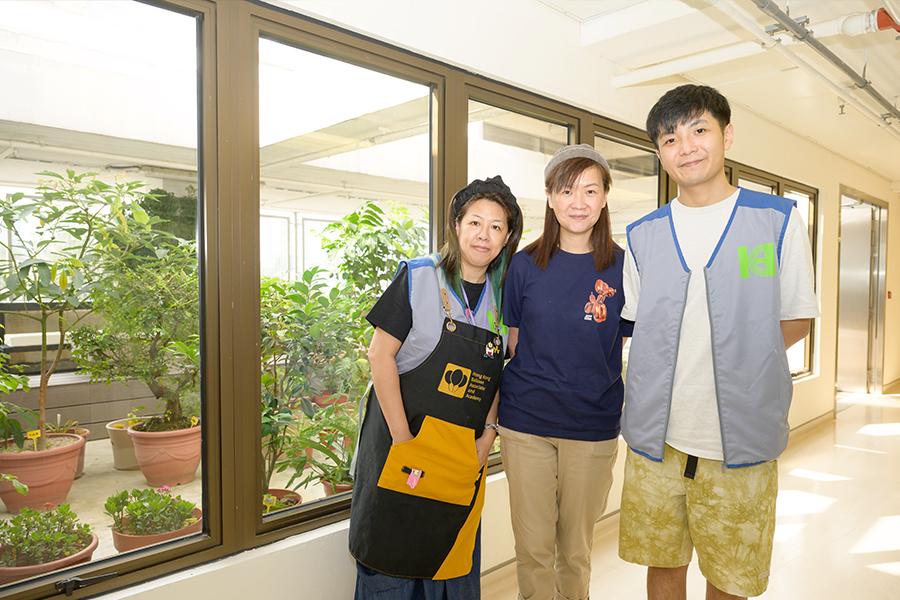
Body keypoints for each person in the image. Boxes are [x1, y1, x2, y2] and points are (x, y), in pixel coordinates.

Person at [617, 84, 819, 600]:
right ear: (660, 153)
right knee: (661, 565)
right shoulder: (642, 235)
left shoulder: (775, 221)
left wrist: (747, 364)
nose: (685, 147)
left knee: (730, 577)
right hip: (656, 439)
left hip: (741, 438)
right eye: (669, 138)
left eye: (699, 130)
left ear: (727, 134)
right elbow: (640, 329)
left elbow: (797, 317)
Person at [349, 175, 523, 600]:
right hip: (399, 443)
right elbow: (379, 355)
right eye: (475, 222)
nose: (484, 234)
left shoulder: (507, 297)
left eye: (496, 226)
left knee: (451, 558)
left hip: (460, 454)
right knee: (390, 561)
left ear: (507, 237)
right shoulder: (418, 276)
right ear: (457, 225)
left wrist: (489, 432)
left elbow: (503, 368)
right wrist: (403, 438)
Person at [498, 144, 632, 600]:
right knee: (532, 550)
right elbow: (514, 340)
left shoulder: (623, 266)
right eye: (567, 190)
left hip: (591, 425)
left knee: (574, 552)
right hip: (526, 423)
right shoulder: (522, 265)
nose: (579, 202)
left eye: (590, 190)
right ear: (551, 198)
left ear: (605, 197)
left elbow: (631, 337)